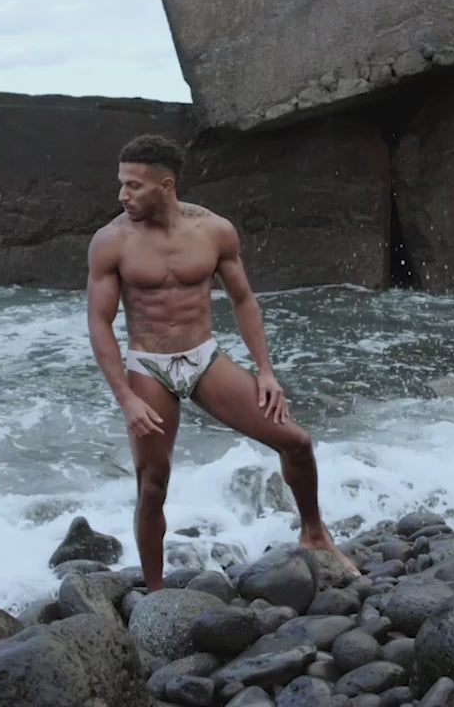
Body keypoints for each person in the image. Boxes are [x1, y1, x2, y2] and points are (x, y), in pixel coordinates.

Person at [87, 134, 359, 590]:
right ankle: (155, 592)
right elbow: (99, 322)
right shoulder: (111, 241)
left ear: (166, 186)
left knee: (296, 442)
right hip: (149, 364)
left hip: (203, 358)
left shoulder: (214, 231)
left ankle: (314, 533)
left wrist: (266, 371)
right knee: (152, 483)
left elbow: (243, 299)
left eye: (133, 185)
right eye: (122, 183)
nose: (122, 195)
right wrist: (126, 398)